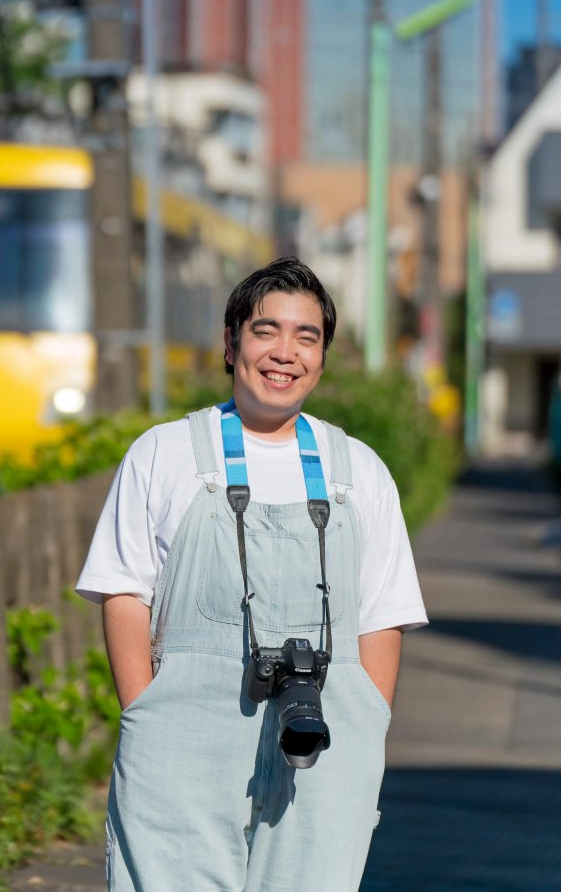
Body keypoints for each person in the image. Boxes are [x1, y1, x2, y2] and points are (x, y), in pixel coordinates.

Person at [77, 257, 427, 891]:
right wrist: (146, 714)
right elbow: (124, 587)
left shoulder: (359, 470)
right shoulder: (164, 452)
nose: (284, 352)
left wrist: (367, 721)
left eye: (306, 336)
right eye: (266, 331)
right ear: (231, 343)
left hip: (324, 739)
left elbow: (383, 614)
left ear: (322, 357)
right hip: (182, 741)